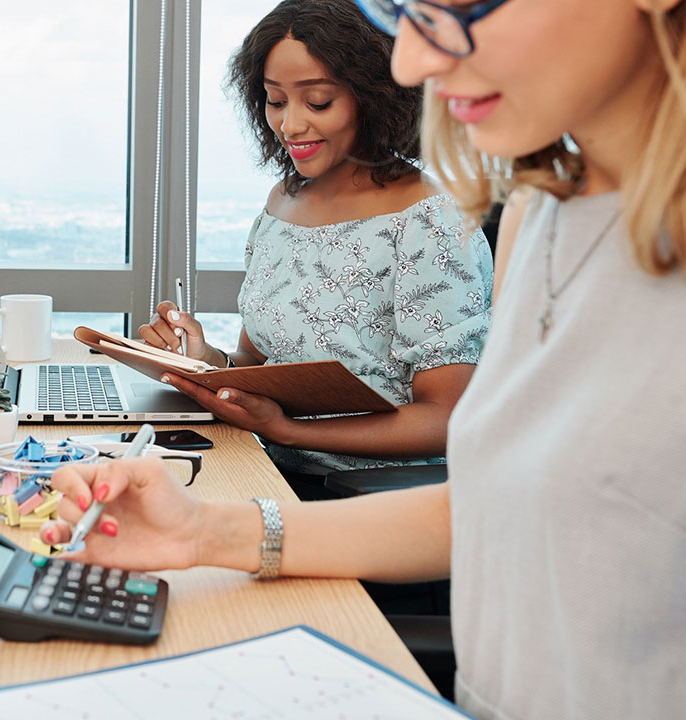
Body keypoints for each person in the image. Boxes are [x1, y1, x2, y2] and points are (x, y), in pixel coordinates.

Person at [45, 0, 686, 717]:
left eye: (464, 7)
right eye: (411, 13)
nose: (412, 59)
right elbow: (488, 505)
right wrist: (201, 530)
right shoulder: (541, 210)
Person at [139, 0, 492, 488]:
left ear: (374, 97)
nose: (290, 125)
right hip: (272, 470)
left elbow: (448, 417)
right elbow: (260, 365)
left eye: (318, 101)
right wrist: (206, 361)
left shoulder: (430, 221)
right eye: (275, 100)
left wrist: (284, 428)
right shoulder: (283, 201)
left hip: (382, 498)